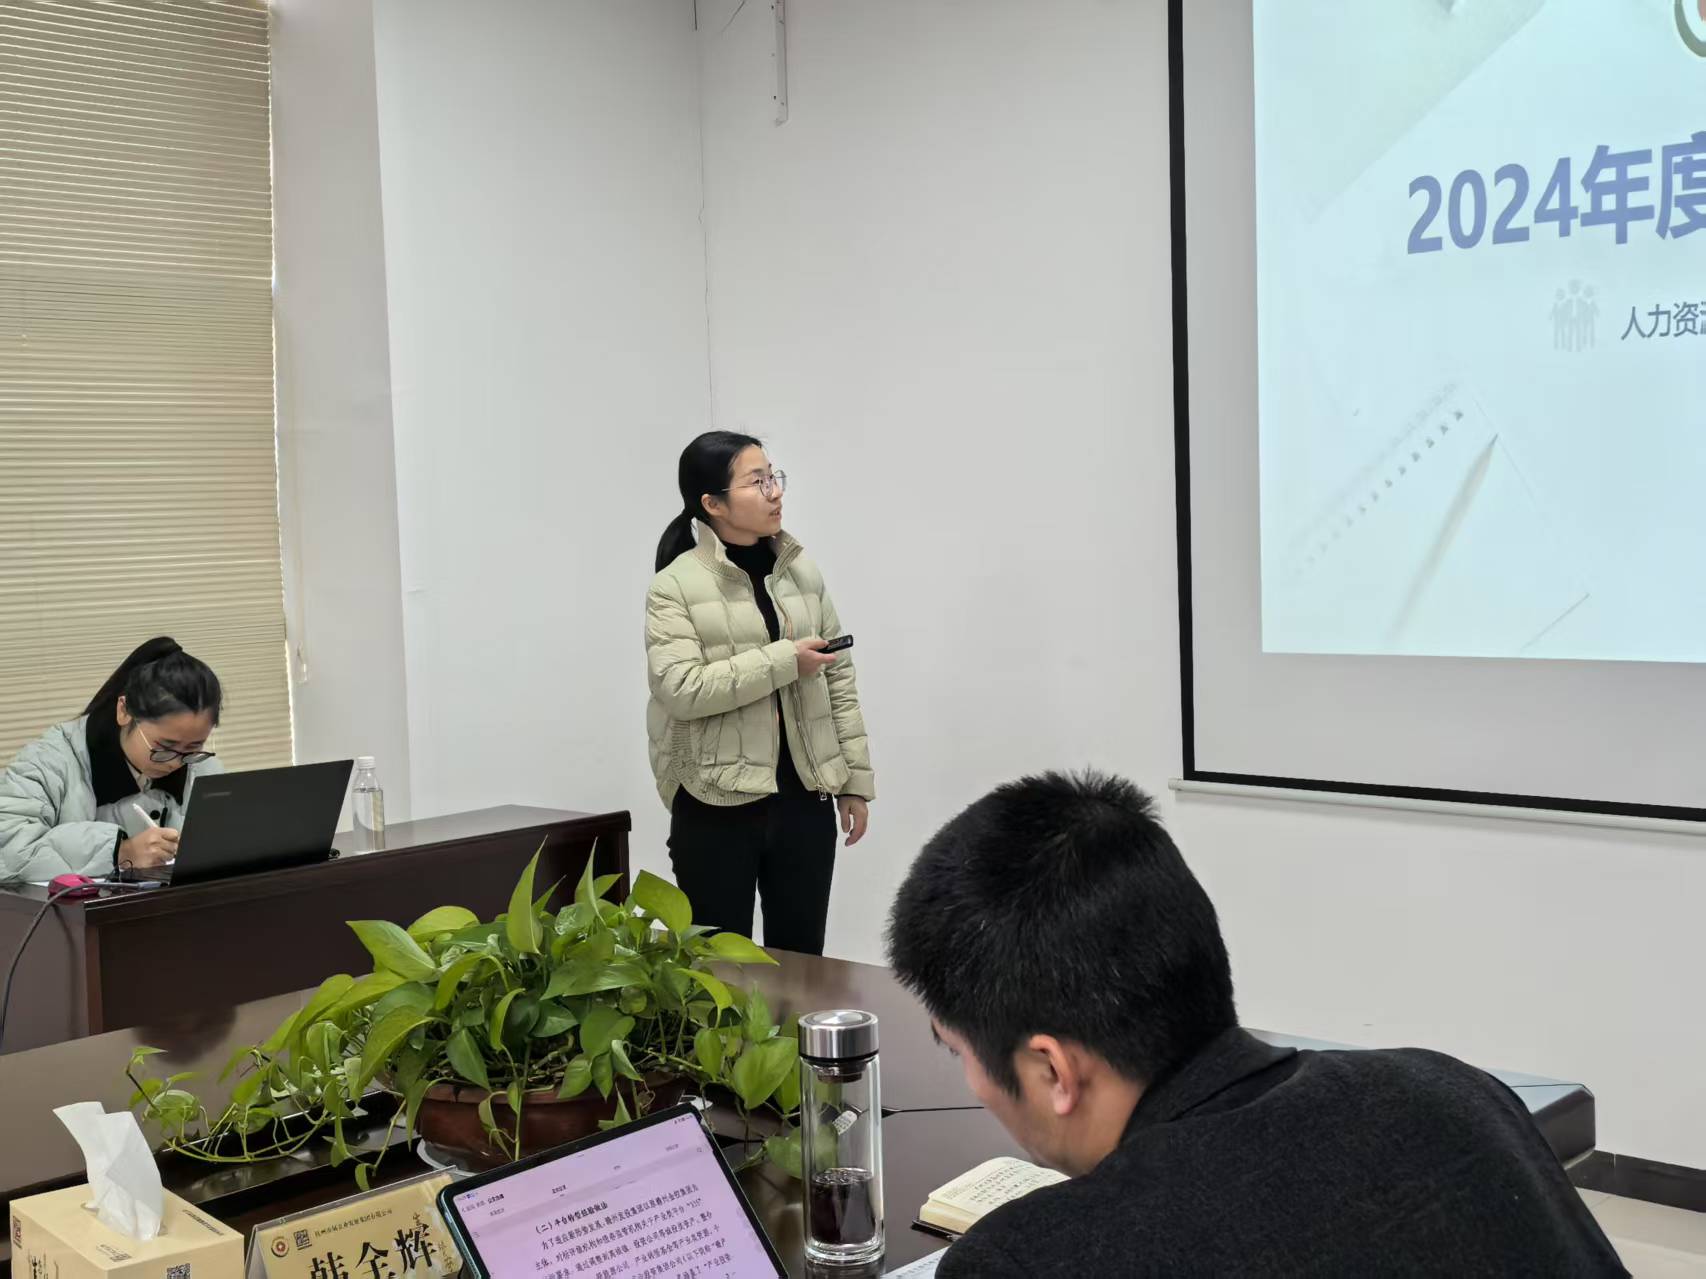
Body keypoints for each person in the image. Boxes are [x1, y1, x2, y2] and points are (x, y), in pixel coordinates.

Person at [886, 771, 1627, 1277]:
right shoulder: (1454, 1092)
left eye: (957, 1051)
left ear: (1052, 1070)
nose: (973, 1083)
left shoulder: (1035, 1259)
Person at [646, 431, 875, 956]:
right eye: (757, 481)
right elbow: (682, 688)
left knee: (803, 965)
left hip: (806, 801)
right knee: (722, 970)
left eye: (774, 477)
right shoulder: (674, 586)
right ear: (713, 504)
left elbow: (838, 679)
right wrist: (784, 660)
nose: (775, 492)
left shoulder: (801, 572)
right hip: (715, 802)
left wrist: (853, 781)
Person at [0, 638, 224, 882]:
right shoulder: (51, 760)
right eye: (164, 747)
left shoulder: (197, 764)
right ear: (124, 711)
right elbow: (9, 847)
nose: (175, 763)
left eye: (193, 747)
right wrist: (120, 852)